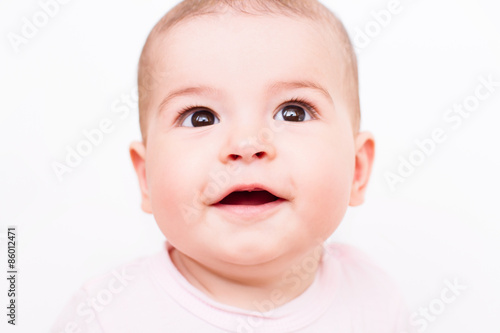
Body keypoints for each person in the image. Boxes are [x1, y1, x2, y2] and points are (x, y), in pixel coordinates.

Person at [51, 0, 413, 332]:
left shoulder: (375, 302)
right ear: (146, 178)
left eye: (293, 112)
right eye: (200, 118)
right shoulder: (105, 316)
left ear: (357, 169)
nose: (246, 144)